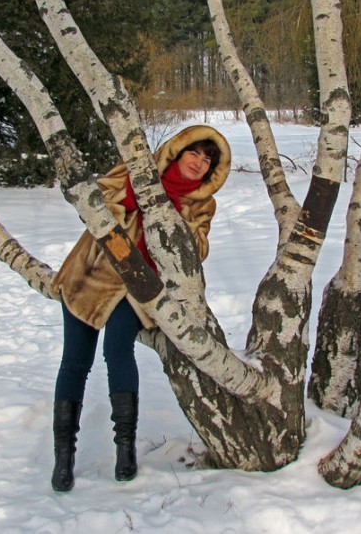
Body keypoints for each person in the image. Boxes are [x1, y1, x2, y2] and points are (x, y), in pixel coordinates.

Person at [49, 125, 231, 491]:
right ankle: (64, 457)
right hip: (92, 273)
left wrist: (171, 217)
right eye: (193, 153)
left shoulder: (201, 204)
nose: (199, 163)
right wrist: (134, 197)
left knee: (118, 352)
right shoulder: (138, 170)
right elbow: (96, 198)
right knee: (74, 362)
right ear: (178, 153)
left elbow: (198, 251)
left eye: (207, 160)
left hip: (137, 288)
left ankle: (125, 450)